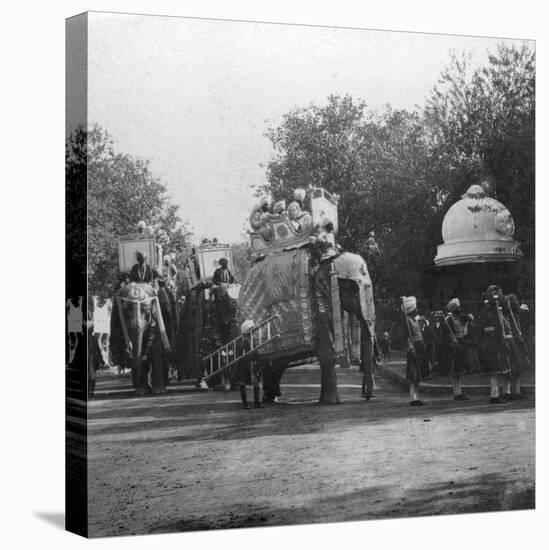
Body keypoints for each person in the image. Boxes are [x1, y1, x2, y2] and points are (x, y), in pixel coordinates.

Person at [476, 285, 512, 404]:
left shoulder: (492, 311)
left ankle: (495, 393)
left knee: (496, 371)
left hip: (492, 343)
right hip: (493, 344)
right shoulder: (491, 312)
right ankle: (494, 395)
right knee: (495, 372)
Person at [402, 296, 430, 406]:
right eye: (415, 308)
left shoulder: (415, 320)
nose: (417, 310)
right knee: (413, 375)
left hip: (420, 347)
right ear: (411, 310)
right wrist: (410, 347)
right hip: (413, 348)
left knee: (418, 375)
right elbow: (407, 337)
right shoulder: (407, 321)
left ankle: (417, 397)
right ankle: (413, 398)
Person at [230, 320, 264, 409]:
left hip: (252, 363)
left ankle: (257, 403)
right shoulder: (243, 341)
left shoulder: (252, 340)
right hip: (244, 365)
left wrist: (257, 361)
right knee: (243, 383)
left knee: (256, 383)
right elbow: (240, 353)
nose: (253, 331)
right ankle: (245, 404)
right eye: (251, 329)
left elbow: (255, 351)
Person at [444, 298, 471, 401]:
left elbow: (464, 328)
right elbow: (448, 334)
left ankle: (458, 391)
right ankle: (456, 392)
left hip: (461, 342)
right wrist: (454, 343)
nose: (459, 309)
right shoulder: (449, 319)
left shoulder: (459, 318)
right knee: (455, 370)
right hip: (454, 344)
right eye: (457, 307)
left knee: (459, 370)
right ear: (453, 309)